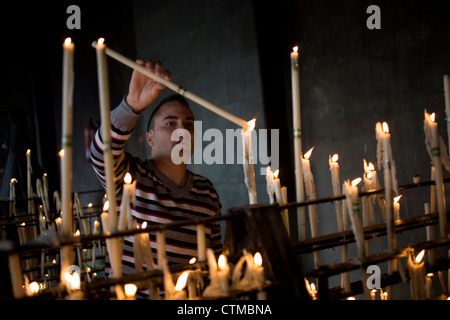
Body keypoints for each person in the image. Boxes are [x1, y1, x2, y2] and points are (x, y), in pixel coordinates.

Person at [90, 59, 223, 296]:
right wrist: (132, 106)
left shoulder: (207, 191)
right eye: (170, 123)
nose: (182, 130)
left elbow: (215, 262)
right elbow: (100, 154)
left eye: (189, 124)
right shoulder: (131, 176)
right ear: (150, 139)